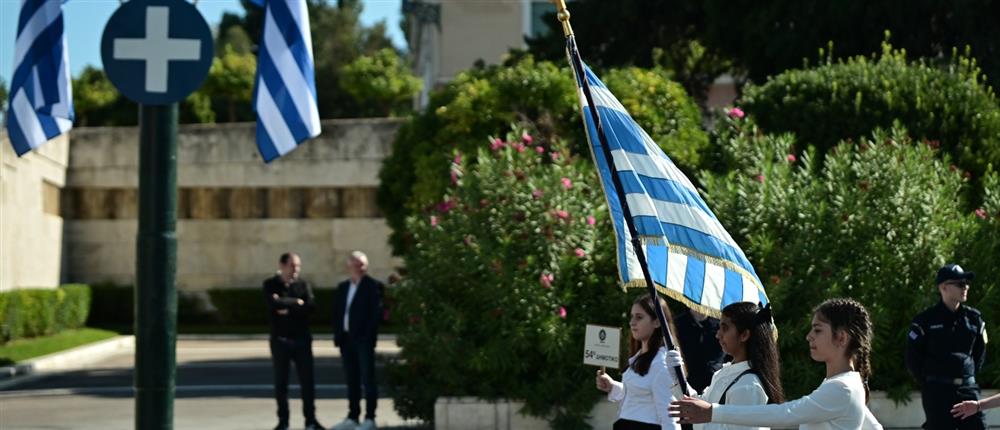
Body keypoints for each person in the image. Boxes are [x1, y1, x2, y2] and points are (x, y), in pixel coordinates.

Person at [669, 298, 883, 430]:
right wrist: (676, 376)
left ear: (842, 338)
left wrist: (713, 412)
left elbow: (785, 414)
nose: (809, 337)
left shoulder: (842, 388)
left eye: (818, 330)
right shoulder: (844, 384)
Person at [676, 302, 785, 430]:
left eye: (725, 328)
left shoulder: (748, 385)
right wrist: (676, 376)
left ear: (744, 335)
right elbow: (701, 405)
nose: (718, 335)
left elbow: (706, 416)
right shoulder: (727, 372)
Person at [906, 263, 987, 430]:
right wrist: (930, 382)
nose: (965, 287)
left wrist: (967, 375)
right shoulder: (925, 321)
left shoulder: (974, 319)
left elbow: (980, 353)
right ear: (943, 287)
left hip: (967, 389)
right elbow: (913, 358)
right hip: (937, 392)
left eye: (966, 283)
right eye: (959, 284)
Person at [596, 295, 681, 430]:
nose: (632, 322)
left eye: (639, 317)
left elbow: (669, 417)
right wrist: (613, 387)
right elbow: (638, 397)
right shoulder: (639, 357)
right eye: (632, 317)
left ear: (657, 322)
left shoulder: (661, 364)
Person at [263, 252, 325, 430]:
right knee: (281, 383)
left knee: (307, 382)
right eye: (292, 266)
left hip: (302, 340)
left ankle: (310, 420)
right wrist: (297, 303)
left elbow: (311, 307)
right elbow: (272, 305)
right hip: (280, 340)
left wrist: (287, 305)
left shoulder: (303, 284)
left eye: (298, 266)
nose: (295, 270)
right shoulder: (270, 284)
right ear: (282, 265)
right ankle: (283, 421)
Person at [331, 251, 384, 430]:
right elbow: (338, 313)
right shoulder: (343, 287)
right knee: (351, 379)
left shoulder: (373, 286)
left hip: (363, 341)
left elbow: (375, 315)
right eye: (357, 264)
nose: (361, 268)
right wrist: (338, 335)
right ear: (349, 266)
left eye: (363, 264)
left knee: (368, 379)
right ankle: (353, 417)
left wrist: (367, 337)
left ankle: (370, 418)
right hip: (346, 341)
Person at [675, 308, 726, 393]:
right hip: (685, 382)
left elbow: (724, 355)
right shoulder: (678, 324)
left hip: (713, 383)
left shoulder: (720, 324)